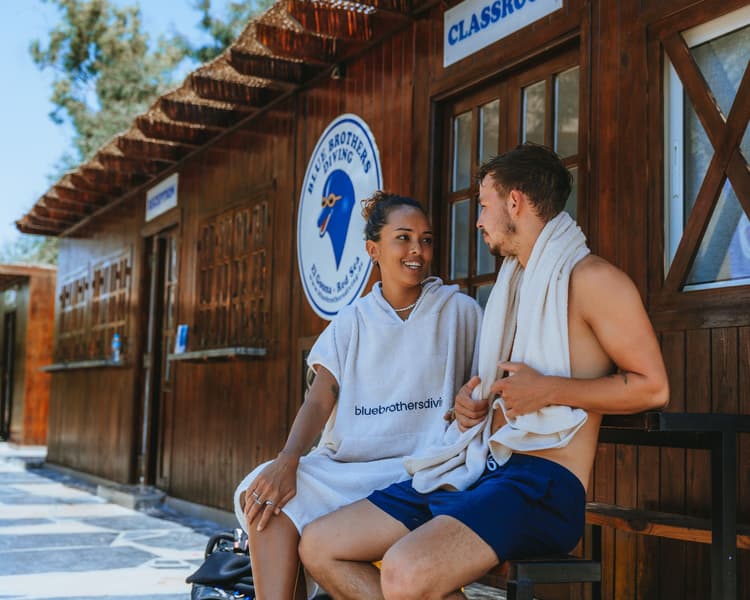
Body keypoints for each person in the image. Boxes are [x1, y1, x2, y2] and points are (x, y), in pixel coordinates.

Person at [299, 143, 670, 600]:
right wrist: (469, 406)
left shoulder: (593, 280)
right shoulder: (513, 287)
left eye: (484, 204)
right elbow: (506, 390)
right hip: (477, 463)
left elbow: (653, 387)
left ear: (514, 201)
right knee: (320, 544)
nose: (477, 219)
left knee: (405, 571)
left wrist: (548, 390)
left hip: (542, 486)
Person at [233, 191, 482, 600]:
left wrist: (469, 402)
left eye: (427, 239)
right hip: (350, 468)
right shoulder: (352, 321)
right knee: (263, 498)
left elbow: (482, 385)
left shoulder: (459, 312)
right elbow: (319, 397)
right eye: (403, 238)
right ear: (374, 249)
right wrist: (288, 459)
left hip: (422, 468)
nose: (417, 250)